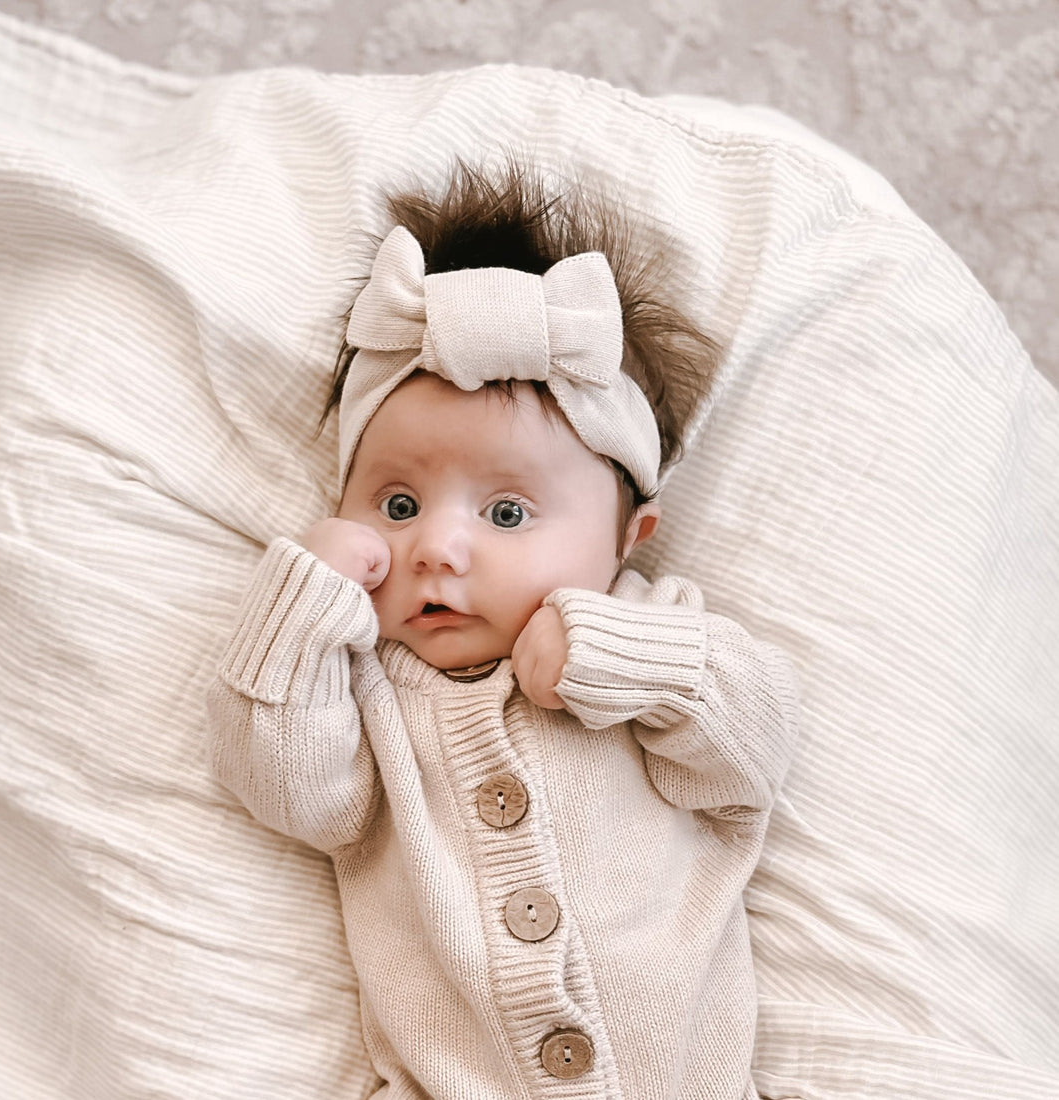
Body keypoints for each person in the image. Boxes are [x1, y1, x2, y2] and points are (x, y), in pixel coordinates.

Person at [206, 161, 800, 1099]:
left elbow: (751, 751)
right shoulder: (365, 684)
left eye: (509, 516)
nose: (438, 546)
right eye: (396, 503)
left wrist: (614, 657)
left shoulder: (658, 632)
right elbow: (291, 793)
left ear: (625, 539)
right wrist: (306, 605)